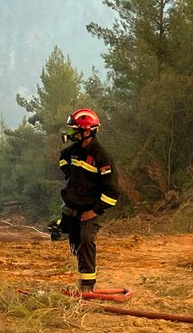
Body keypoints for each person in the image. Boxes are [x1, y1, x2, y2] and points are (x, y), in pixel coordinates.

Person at [58, 108, 119, 293]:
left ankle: (87, 286)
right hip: (73, 207)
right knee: (74, 240)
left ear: (87, 131)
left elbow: (112, 191)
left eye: (74, 130)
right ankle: (81, 274)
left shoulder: (101, 156)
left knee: (86, 240)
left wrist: (94, 211)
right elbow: (63, 158)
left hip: (90, 209)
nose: (70, 134)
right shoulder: (75, 151)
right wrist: (69, 173)